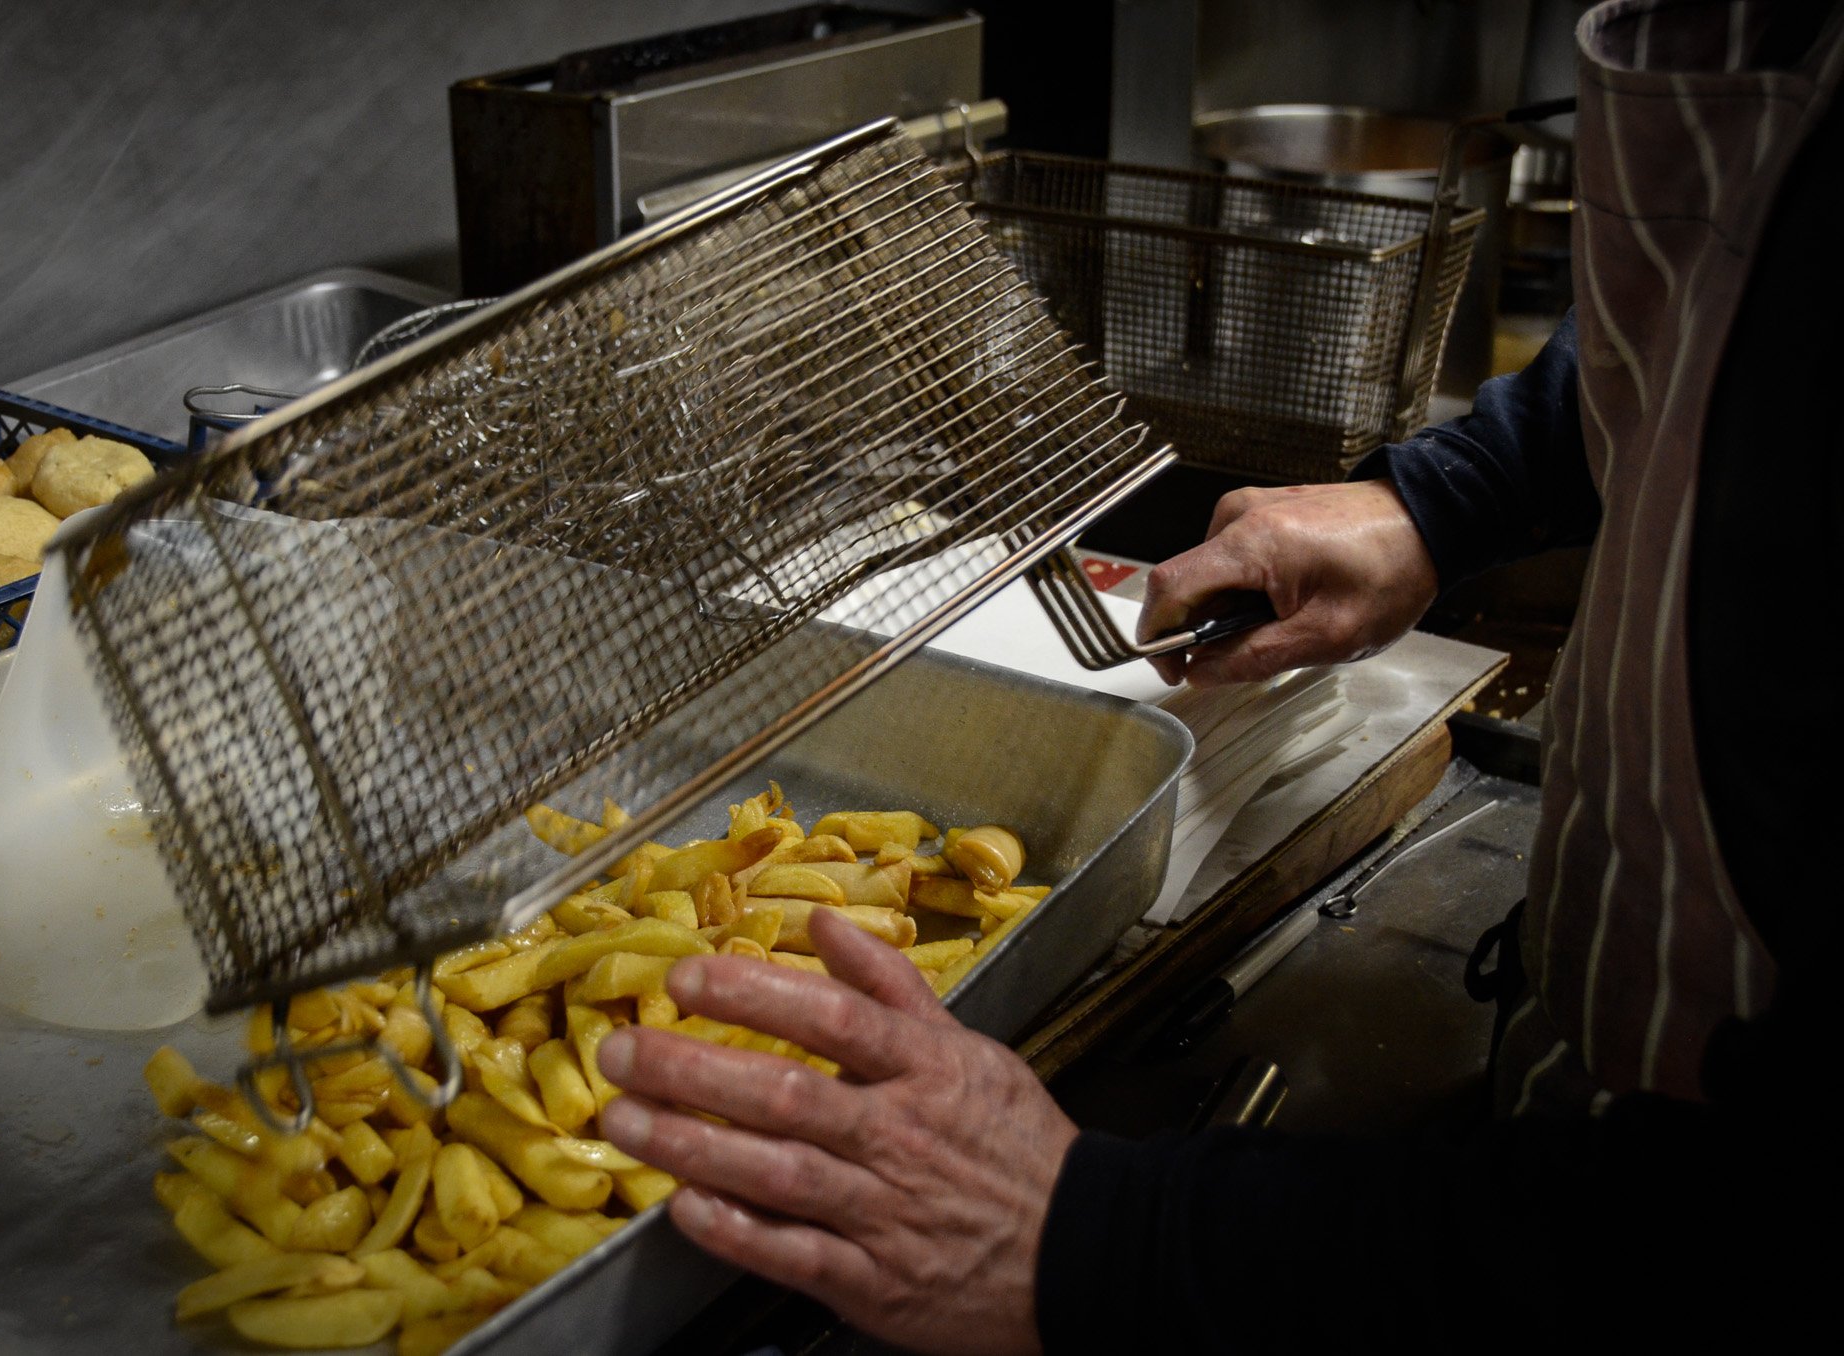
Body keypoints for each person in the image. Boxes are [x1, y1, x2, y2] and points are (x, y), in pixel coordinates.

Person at [591, 2, 1842, 1349]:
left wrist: (1104, 1239)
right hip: (1582, 1057)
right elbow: (1723, 316)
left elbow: (1779, 1238)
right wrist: (1447, 501)